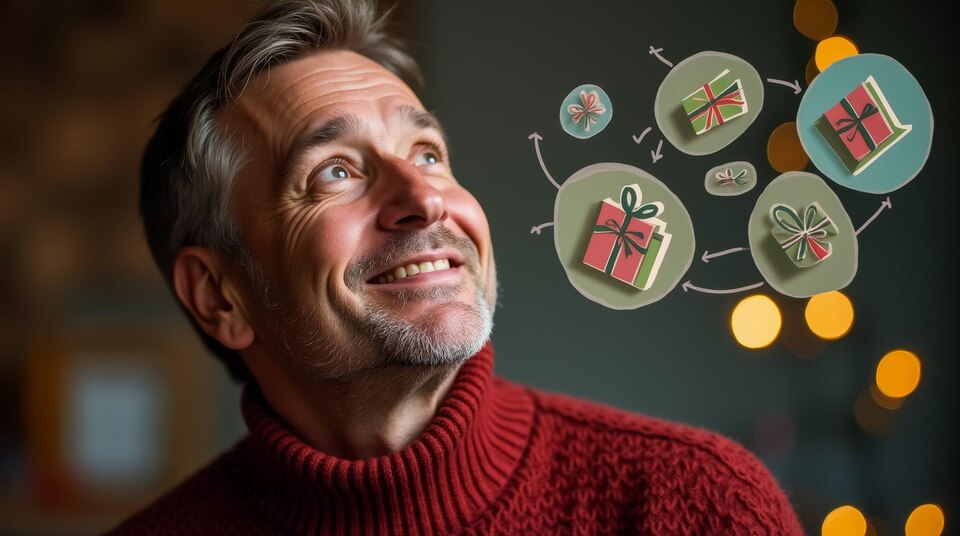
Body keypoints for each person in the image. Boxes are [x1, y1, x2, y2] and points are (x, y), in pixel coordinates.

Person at [111, 0, 804, 533]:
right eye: (337, 171)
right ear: (220, 297)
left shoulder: (697, 503)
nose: (424, 200)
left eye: (428, 154)